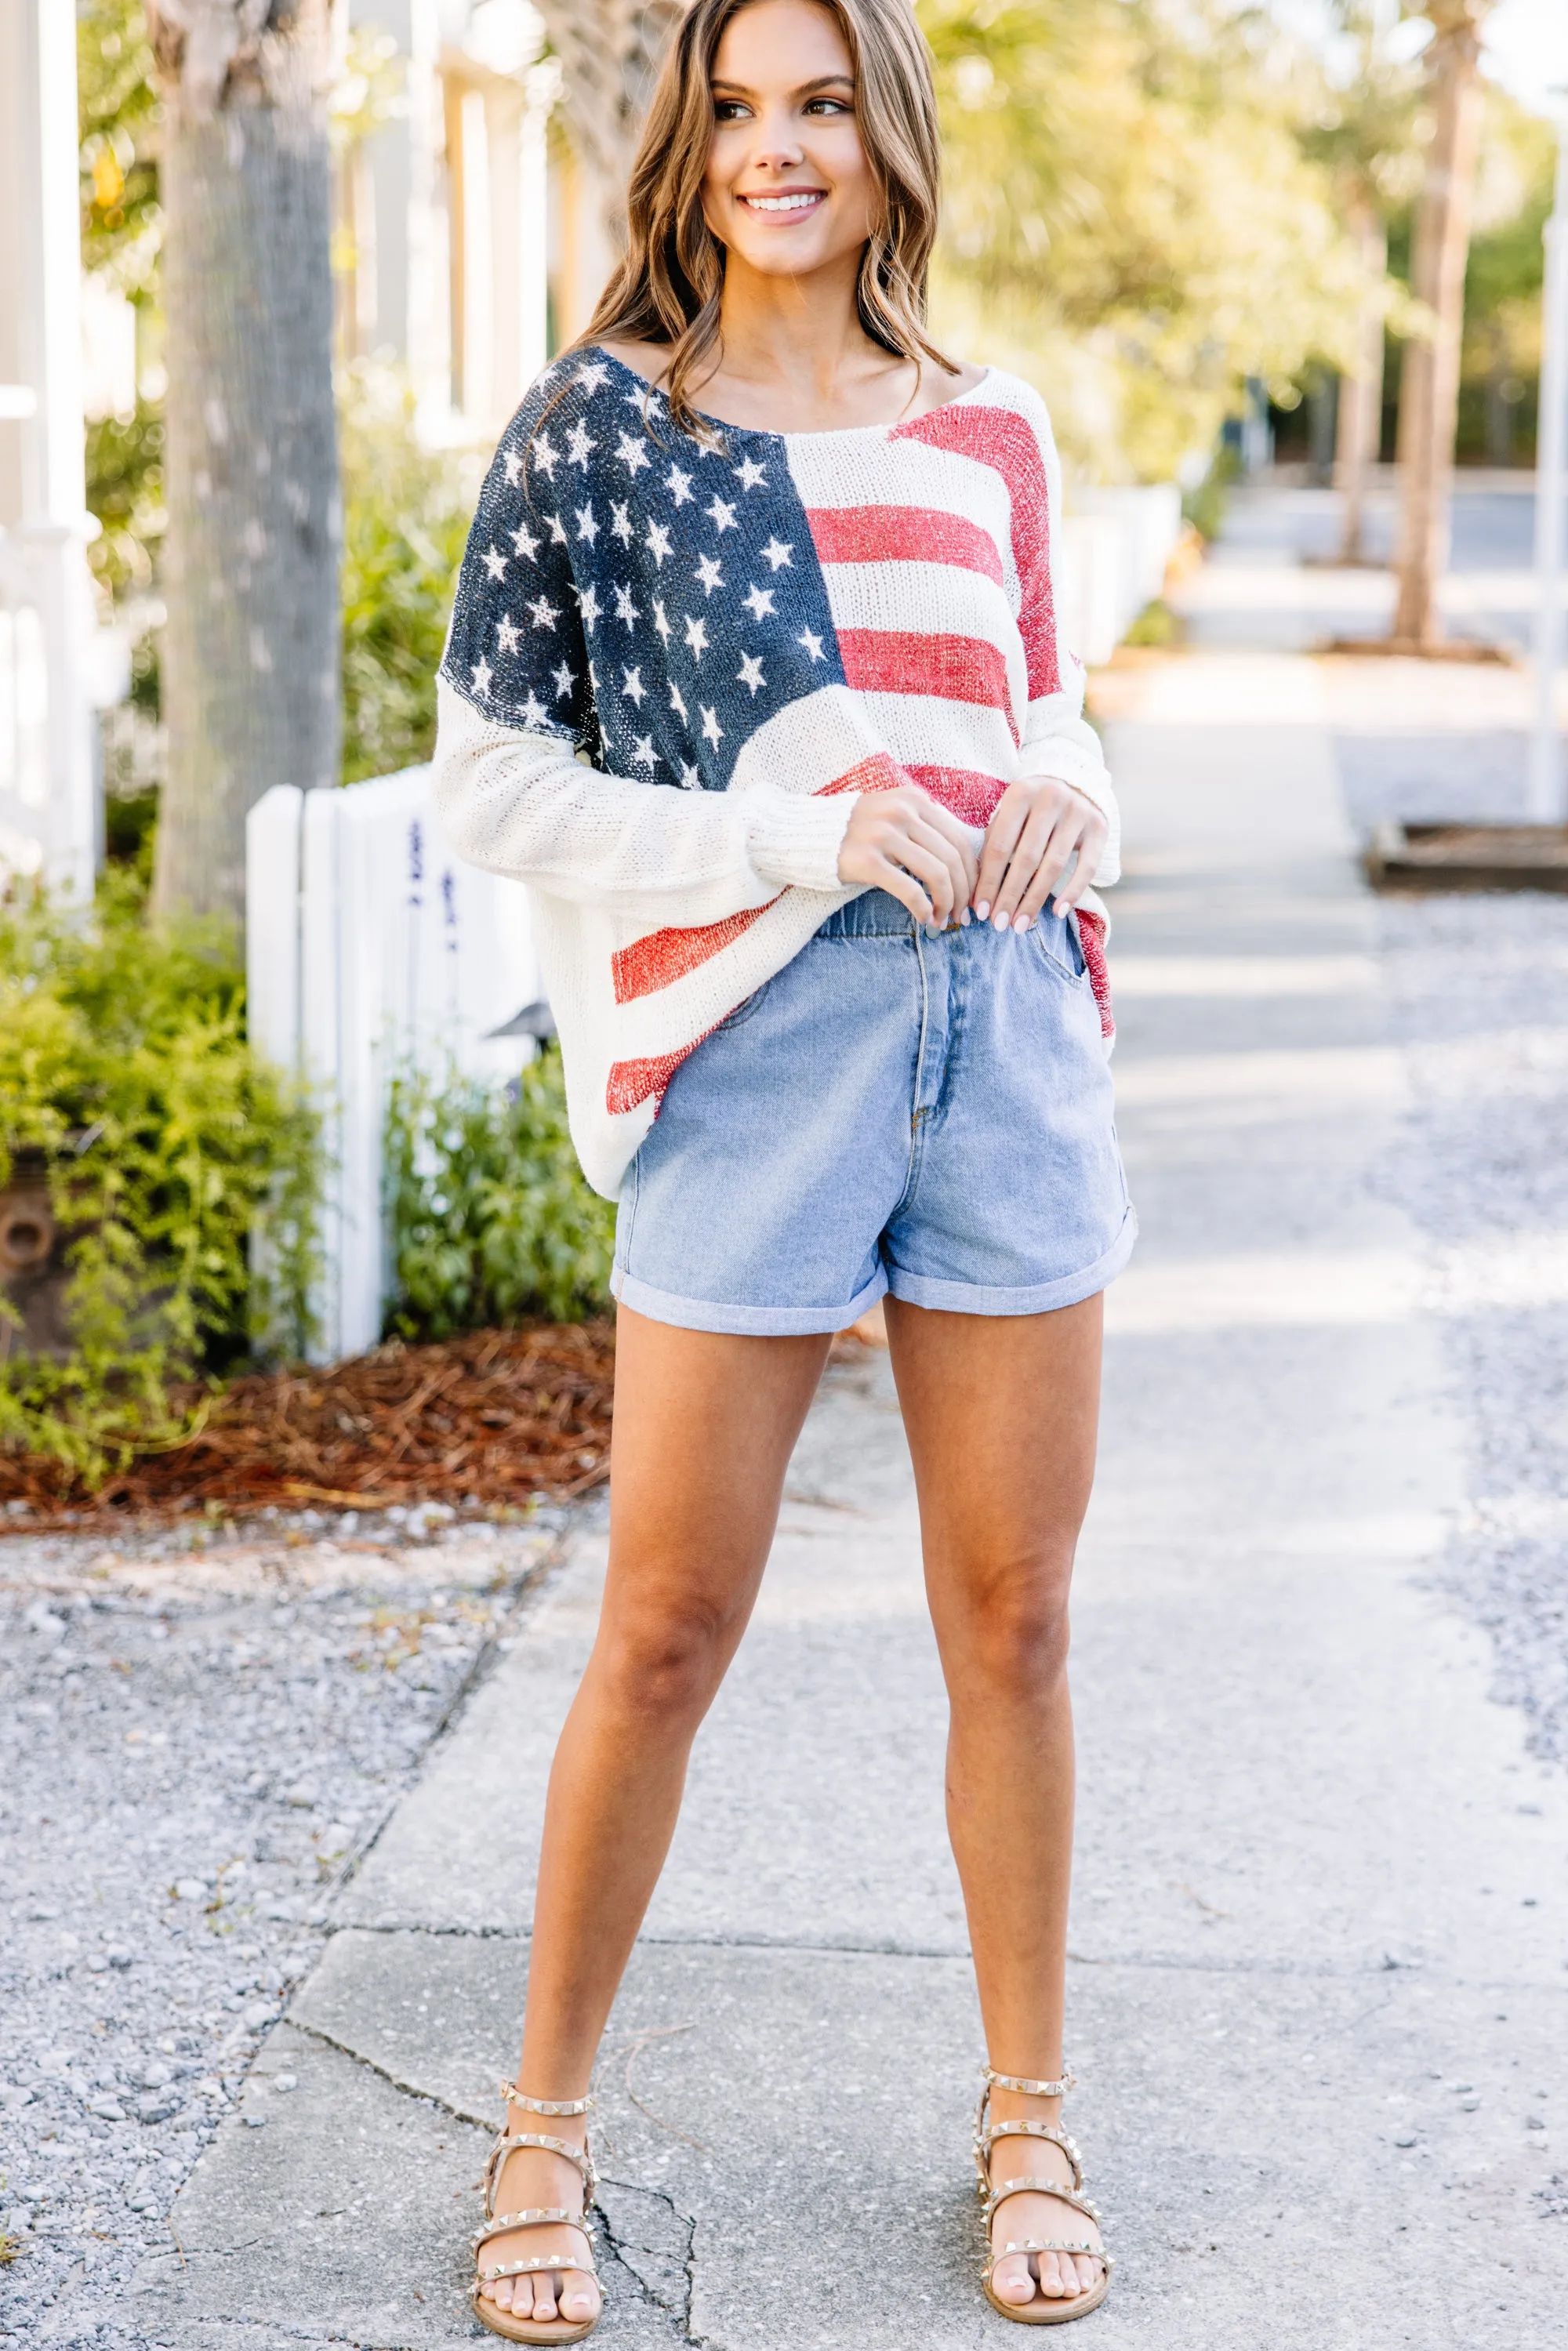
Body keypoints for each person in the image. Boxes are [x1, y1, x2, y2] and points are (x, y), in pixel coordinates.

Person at [433, 0, 1131, 2335]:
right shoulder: (611, 428)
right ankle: (538, 2124)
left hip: (1002, 1029)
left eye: (820, 99)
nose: (775, 146)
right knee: (664, 1625)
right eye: (734, 107)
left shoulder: (992, 424)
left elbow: (1044, 710)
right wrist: (785, 829)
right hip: (760, 1046)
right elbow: (496, 786)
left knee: (1014, 1620)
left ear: (885, 128)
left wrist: (1071, 793)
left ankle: (1030, 2108)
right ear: (687, 140)